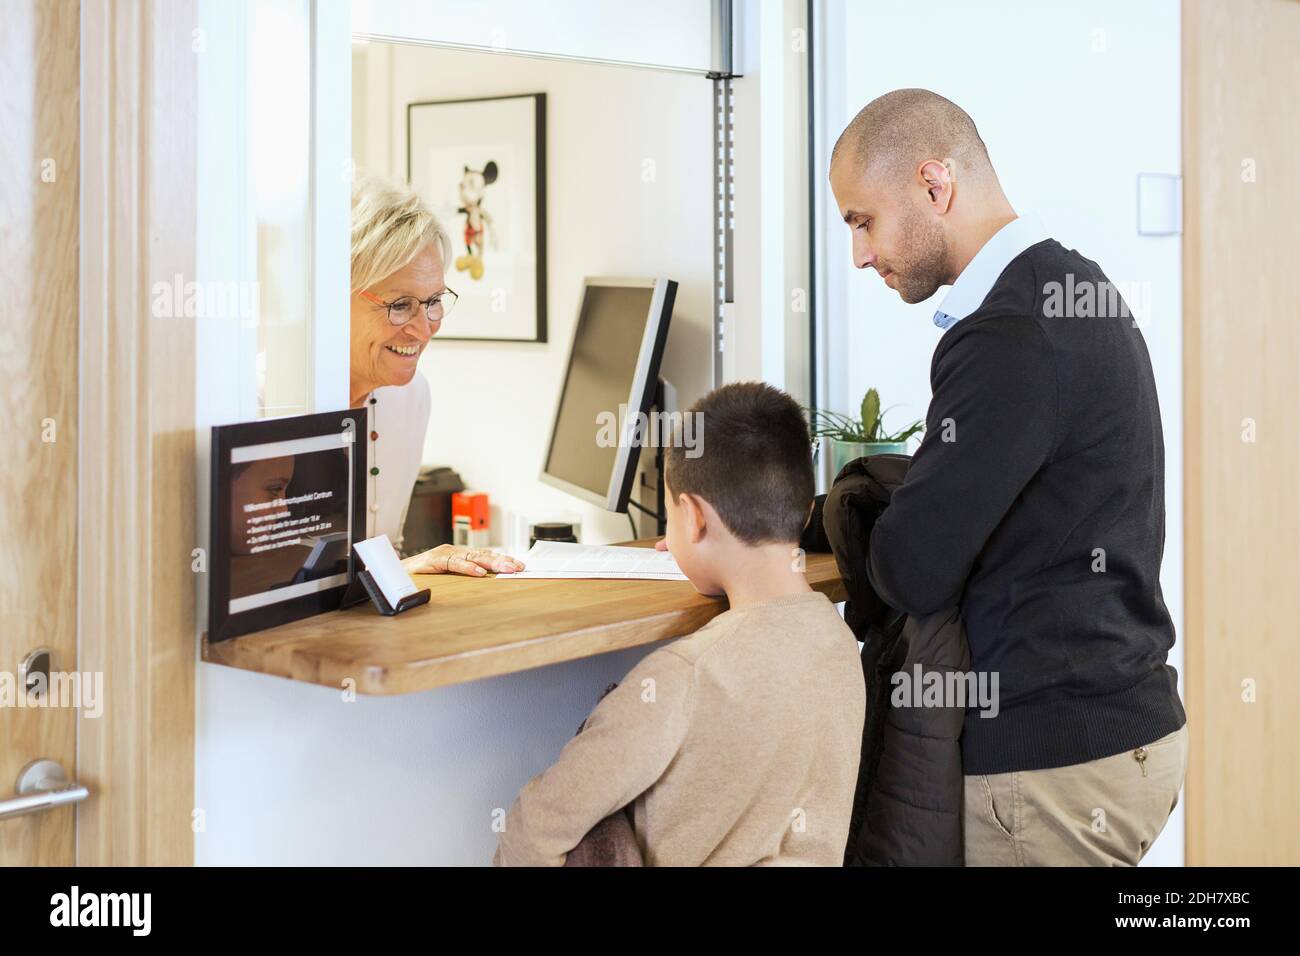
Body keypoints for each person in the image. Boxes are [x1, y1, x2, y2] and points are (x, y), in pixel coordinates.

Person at [828, 88, 1187, 865]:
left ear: (934, 185)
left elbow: (912, 570)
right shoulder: (1069, 287)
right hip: (1120, 729)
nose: (859, 254)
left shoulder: (1010, 331)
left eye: (863, 221)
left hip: (1056, 764)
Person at [493, 383, 865, 866]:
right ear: (806, 510)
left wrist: (699, 552)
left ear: (692, 518)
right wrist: (709, 557)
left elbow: (534, 829)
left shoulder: (681, 677)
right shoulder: (841, 644)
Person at [348, 173, 522, 577]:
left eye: (433, 301)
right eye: (400, 305)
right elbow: (269, 584)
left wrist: (410, 565)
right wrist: (411, 565)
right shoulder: (265, 402)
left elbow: (381, 553)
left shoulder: (409, 397)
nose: (424, 329)